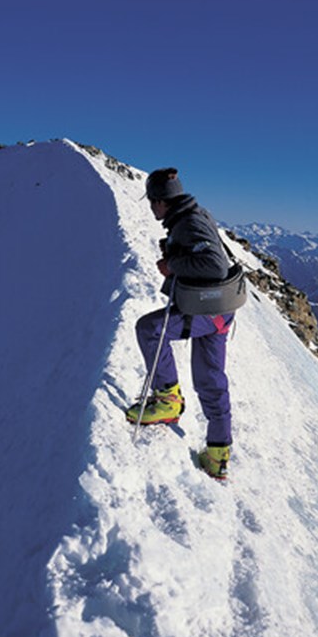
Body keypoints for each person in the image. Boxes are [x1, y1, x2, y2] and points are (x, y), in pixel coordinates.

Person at [126, 168, 239, 480]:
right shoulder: (193, 216)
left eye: (152, 201)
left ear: (161, 201)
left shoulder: (188, 222)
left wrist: (172, 264)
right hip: (219, 308)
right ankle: (217, 454)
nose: (151, 208)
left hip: (206, 309)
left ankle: (168, 400)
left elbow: (214, 265)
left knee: (150, 329)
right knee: (210, 380)